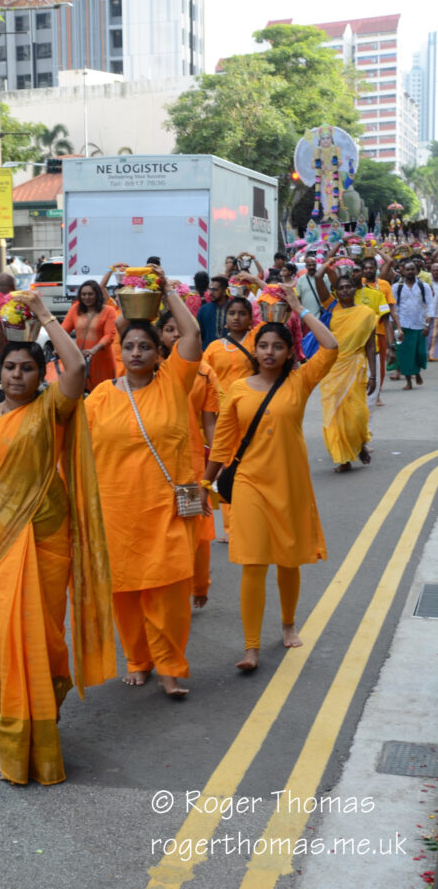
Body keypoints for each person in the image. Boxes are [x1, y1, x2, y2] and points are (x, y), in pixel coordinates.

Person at [0, 291, 115, 784]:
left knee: (43, 639)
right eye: (11, 368)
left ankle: (41, 716)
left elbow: (79, 371)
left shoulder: (49, 412)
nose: (17, 376)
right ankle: (11, 733)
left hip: (43, 539)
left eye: (27, 369)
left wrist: (43, 316)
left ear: (41, 374)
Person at [202, 285, 338, 671]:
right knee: (254, 562)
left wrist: (300, 308)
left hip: (290, 484)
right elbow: (225, 443)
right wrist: (203, 482)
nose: (269, 352)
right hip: (248, 484)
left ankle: (289, 624)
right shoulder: (238, 390)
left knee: (288, 560)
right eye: (263, 346)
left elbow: (330, 348)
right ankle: (251, 648)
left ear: (288, 350)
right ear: (255, 349)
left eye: (277, 346)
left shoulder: (299, 382)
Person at [85, 268, 202, 698]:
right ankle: (137, 659)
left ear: (159, 352)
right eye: (129, 345)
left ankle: (170, 666)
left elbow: (190, 334)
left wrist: (167, 290)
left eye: (145, 346)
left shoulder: (174, 383)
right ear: (120, 349)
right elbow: (80, 454)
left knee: (169, 592)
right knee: (127, 592)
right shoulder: (100, 397)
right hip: (117, 510)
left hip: (167, 507)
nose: (136, 352)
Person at [158, 310, 220, 609]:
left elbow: (209, 422)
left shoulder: (204, 371)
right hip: (153, 464)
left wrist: (218, 459)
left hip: (189, 464)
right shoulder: (146, 368)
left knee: (193, 526)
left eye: (178, 330)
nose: (174, 335)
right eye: (168, 329)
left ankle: (198, 584)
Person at [202, 296, 257, 545]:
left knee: (251, 467)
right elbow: (204, 381)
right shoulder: (213, 348)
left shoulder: (258, 341)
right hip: (224, 418)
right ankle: (230, 526)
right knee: (225, 467)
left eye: (241, 313)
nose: (236, 317)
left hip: (253, 414)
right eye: (231, 313)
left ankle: (253, 519)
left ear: (250, 317)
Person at [315, 268, 377, 472]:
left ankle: (359, 444)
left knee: (357, 414)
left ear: (354, 289)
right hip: (332, 368)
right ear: (336, 291)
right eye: (340, 288)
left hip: (356, 367)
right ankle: (343, 459)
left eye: (348, 287)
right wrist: (329, 263)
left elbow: (370, 345)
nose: (345, 290)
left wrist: (373, 376)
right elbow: (317, 278)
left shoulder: (366, 314)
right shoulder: (331, 308)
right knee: (334, 414)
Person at [61, 280, 117, 392]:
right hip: (81, 359)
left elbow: (109, 336)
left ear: (97, 294)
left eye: (90, 294)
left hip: (102, 361)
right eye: (83, 294)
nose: (87, 297)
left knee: (103, 393)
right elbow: (62, 331)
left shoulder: (109, 311)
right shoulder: (75, 309)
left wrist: (93, 350)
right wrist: (59, 347)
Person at [361, 256, 397, 404]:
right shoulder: (358, 285)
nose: (368, 270)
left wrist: (391, 343)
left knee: (379, 364)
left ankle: (376, 393)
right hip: (360, 333)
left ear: (376, 269)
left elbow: (389, 311)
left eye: (371, 268)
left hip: (379, 331)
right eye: (366, 268)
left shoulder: (384, 285)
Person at [392, 261, 431, 389]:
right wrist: (397, 327)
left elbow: (430, 305)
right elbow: (394, 308)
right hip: (403, 325)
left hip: (419, 324)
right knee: (405, 354)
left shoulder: (423, 286)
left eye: (412, 269)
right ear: (402, 271)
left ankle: (417, 371)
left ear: (417, 271)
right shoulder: (396, 287)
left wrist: (427, 324)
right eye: (407, 269)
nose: (410, 272)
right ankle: (409, 381)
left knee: (420, 354)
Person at [197, 275, 229, 350]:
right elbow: (198, 335)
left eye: (215, 290)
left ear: (224, 291)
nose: (210, 293)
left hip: (229, 353)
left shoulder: (233, 310)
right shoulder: (203, 310)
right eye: (210, 289)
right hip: (207, 355)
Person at [295, 253, 327, 318]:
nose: (312, 267)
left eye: (313, 265)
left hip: (322, 316)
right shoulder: (301, 280)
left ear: (316, 265)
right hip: (306, 317)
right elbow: (298, 299)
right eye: (309, 265)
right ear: (306, 266)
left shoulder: (325, 277)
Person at [428, 261, 438, 362]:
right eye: (434, 270)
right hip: (429, 313)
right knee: (431, 335)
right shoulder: (428, 282)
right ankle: (429, 354)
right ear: (431, 271)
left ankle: (433, 354)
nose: (436, 272)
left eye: (437, 270)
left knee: (434, 335)